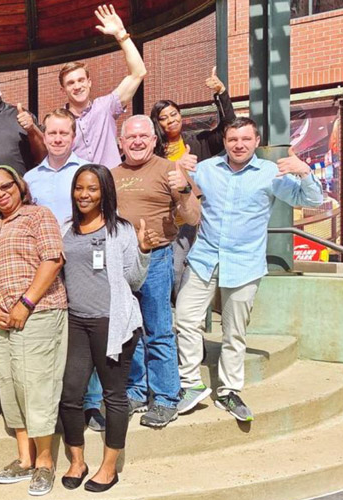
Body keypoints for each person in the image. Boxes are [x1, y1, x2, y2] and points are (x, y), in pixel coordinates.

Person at [175, 117, 323, 421]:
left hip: (244, 264)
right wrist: (177, 166)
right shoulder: (206, 169)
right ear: (225, 142)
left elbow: (312, 199)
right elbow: (174, 190)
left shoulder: (271, 173)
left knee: (234, 332)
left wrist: (305, 171)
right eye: (232, 140)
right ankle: (191, 383)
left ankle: (228, 391)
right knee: (185, 320)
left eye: (245, 139)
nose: (238, 145)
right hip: (204, 258)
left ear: (256, 142)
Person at [58, 164, 156, 493]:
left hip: (112, 323)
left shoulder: (120, 230)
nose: (84, 195)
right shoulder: (66, 228)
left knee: (114, 397)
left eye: (92, 189)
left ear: (104, 193)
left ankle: (109, 466)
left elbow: (133, 280)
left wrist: (143, 251)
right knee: (70, 394)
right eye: (79, 188)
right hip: (77, 323)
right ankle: (77, 460)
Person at [0, 165, 66, 496]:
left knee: (36, 385)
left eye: (5, 186)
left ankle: (45, 462)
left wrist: (24, 304)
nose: (0, 194)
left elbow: (53, 259)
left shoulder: (39, 215)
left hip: (38, 313)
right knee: (11, 386)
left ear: (19, 185)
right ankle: (24, 458)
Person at [111, 115, 201, 428]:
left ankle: (165, 397)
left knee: (158, 329)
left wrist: (185, 191)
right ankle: (137, 389)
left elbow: (192, 218)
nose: (136, 142)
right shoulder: (111, 174)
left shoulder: (170, 169)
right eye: (130, 137)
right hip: (121, 261)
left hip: (157, 258)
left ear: (153, 140)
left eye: (143, 137)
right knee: (130, 331)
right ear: (121, 142)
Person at [24, 108, 106, 432]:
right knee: (54, 336)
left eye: (64, 134)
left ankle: (92, 402)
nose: (58, 139)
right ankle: (59, 402)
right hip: (45, 268)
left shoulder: (86, 175)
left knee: (91, 330)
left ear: (73, 137)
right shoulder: (31, 179)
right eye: (52, 133)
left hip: (83, 263)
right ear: (44, 136)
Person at [150, 66, 236, 295]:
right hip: (160, 220)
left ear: (181, 115)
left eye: (173, 114)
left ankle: (179, 322)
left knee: (178, 271)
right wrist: (178, 165)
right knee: (162, 273)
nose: (170, 121)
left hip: (187, 220)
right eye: (163, 118)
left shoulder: (198, 141)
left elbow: (228, 127)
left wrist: (221, 93)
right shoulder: (153, 149)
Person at [60, 4, 147, 168]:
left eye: (81, 80)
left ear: (89, 82)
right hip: (80, 190)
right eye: (71, 83)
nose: (77, 86)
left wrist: (121, 35)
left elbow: (138, 72)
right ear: (63, 90)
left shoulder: (106, 106)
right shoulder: (59, 121)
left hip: (111, 185)